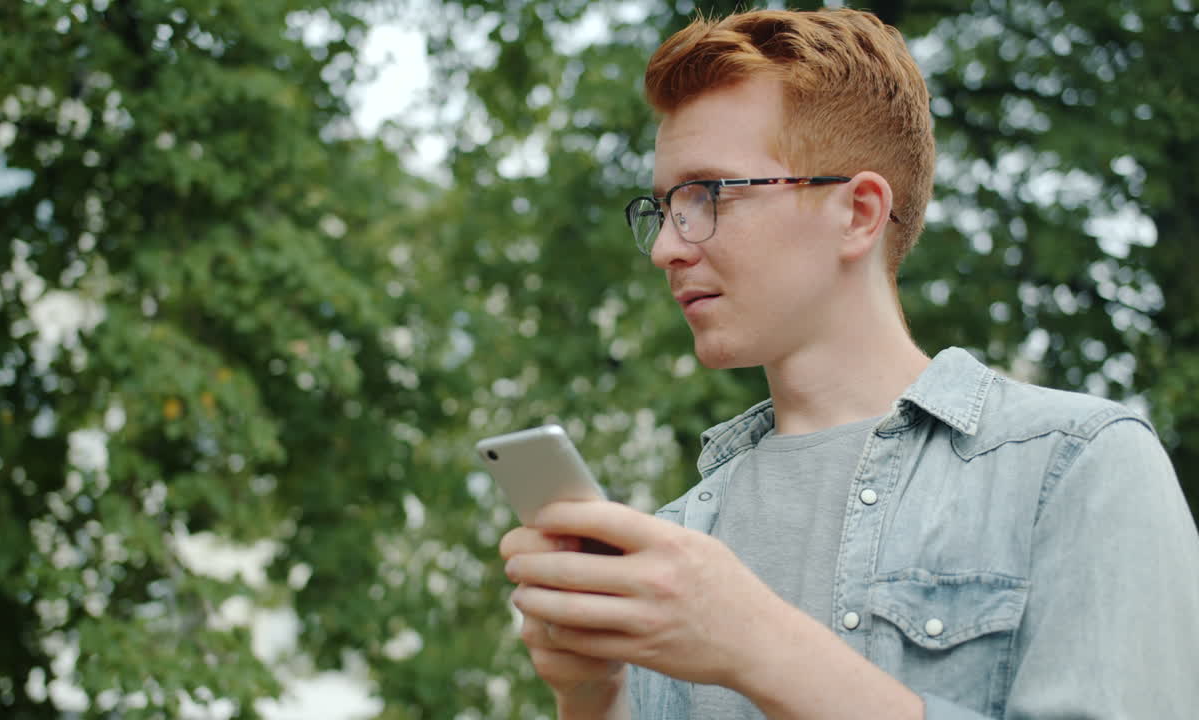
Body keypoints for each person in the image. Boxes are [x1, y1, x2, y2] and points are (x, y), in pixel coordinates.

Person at [499, 7, 1199, 720]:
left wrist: (760, 644)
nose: (665, 248)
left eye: (706, 196)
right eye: (663, 206)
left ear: (860, 213)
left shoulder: (1078, 468)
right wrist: (594, 694)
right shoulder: (682, 537)